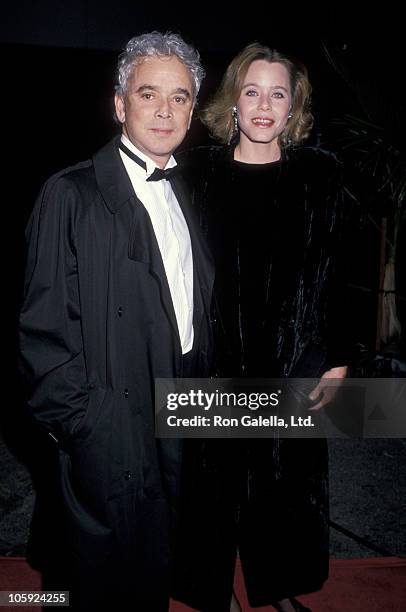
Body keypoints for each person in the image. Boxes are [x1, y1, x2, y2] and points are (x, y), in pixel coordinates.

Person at [19, 31, 214, 611]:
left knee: (157, 568)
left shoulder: (188, 192)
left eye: (179, 97)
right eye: (148, 92)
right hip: (111, 427)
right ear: (119, 104)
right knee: (106, 584)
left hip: (177, 411)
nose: (164, 109)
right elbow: (41, 336)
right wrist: (86, 426)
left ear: (193, 110)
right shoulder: (70, 194)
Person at [172, 43, 354, 612]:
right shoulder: (194, 176)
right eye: (252, 91)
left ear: (293, 105)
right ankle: (213, 589)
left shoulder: (320, 177)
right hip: (210, 360)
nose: (264, 105)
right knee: (209, 488)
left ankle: (278, 589)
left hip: (290, 358)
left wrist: (336, 357)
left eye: (279, 93)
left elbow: (338, 273)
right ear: (233, 100)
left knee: (285, 487)